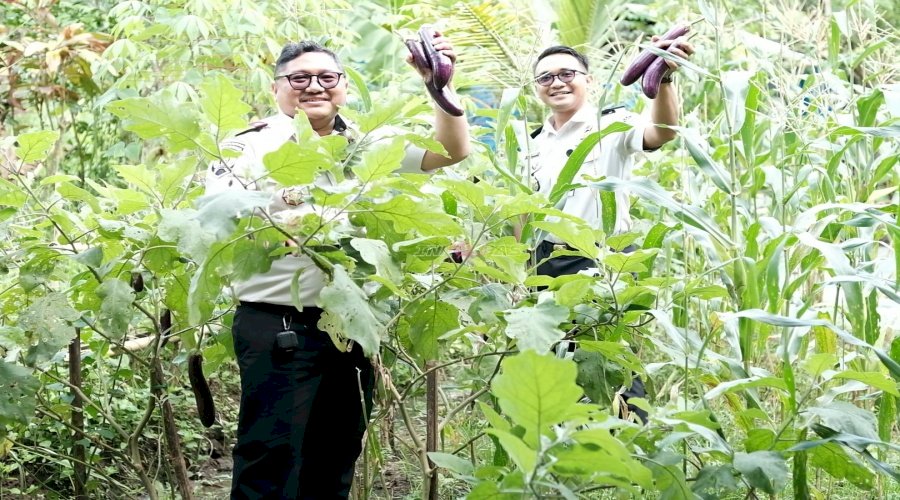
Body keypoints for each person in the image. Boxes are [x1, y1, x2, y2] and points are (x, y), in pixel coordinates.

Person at [204, 34, 470, 499]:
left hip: (348, 325)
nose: (314, 87)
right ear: (276, 89)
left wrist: (439, 87)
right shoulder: (246, 147)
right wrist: (295, 219)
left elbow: (451, 152)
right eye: (299, 78)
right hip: (277, 323)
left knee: (335, 455)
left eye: (327, 77)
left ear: (343, 84)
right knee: (269, 458)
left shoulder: (370, 143)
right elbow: (220, 213)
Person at [527, 37, 694, 420]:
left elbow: (662, 131)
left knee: (609, 355)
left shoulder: (613, 124)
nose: (557, 82)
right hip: (542, 263)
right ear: (537, 89)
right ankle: (571, 441)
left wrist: (663, 79)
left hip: (597, 260)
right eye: (545, 77)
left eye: (567, 73)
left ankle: (633, 441)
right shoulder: (530, 142)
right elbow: (524, 210)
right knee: (559, 358)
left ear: (589, 80)